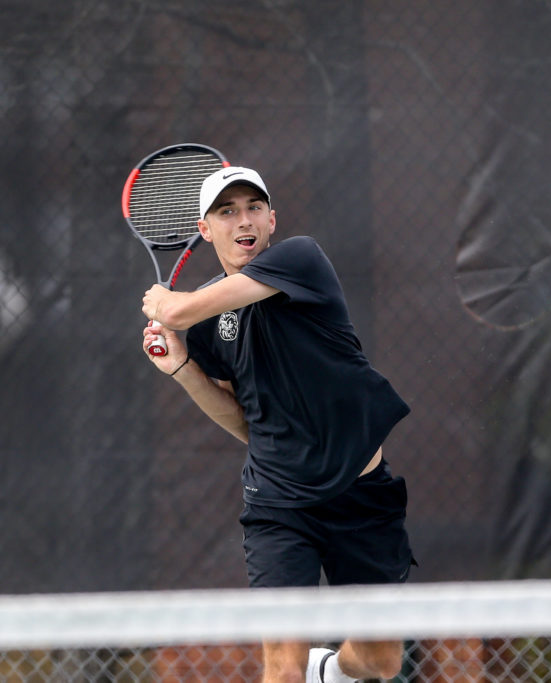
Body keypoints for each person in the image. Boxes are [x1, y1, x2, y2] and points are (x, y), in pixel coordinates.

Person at [141, 166, 415, 683]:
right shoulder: (207, 324)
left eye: (253, 208)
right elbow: (243, 419)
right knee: (282, 671)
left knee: (381, 662)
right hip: (278, 505)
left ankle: (330, 673)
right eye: (227, 211)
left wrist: (166, 306)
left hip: (361, 497)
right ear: (205, 229)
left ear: (272, 219)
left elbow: (182, 308)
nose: (243, 220)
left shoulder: (300, 258)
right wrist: (181, 368)